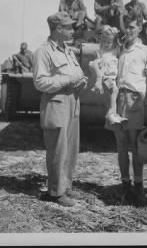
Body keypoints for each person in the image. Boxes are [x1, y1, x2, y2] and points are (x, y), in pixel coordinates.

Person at [33, 11, 88, 207]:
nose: (73, 30)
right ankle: (56, 192)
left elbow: (76, 72)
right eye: (69, 27)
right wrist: (68, 79)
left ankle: (66, 187)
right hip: (56, 103)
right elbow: (40, 82)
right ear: (58, 28)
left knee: (71, 148)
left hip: (73, 101)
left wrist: (80, 79)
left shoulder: (67, 50)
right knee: (58, 149)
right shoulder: (44, 51)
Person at [105, 14, 147, 204]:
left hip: (135, 100)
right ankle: (125, 185)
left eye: (132, 27)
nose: (128, 31)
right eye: (125, 27)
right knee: (121, 146)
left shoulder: (145, 51)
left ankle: (138, 187)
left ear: (139, 28)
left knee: (135, 146)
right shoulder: (118, 50)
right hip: (118, 98)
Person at [88, 25, 127, 124]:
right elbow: (94, 64)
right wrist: (99, 78)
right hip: (105, 77)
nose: (106, 44)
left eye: (109, 42)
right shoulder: (99, 52)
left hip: (113, 79)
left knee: (113, 94)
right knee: (114, 91)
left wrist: (115, 32)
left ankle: (112, 113)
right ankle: (111, 113)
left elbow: (123, 43)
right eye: (104, 41)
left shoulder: (116, 51)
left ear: (114, 42)